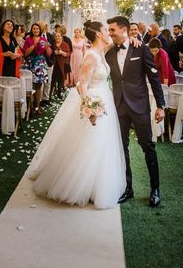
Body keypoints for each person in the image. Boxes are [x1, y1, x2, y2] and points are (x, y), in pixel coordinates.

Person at [26, 21, 126, 209]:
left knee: (102, 144)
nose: (108, 34)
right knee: (90, 143)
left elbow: (116, 42)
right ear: (97, 33)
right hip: (95, 102)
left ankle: (96, 185)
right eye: (106, 31)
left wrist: (130, 38)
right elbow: (82, 85)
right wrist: (90, 109)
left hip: (105, 100)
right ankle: (79, 185)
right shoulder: (91, 56)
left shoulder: (100, 52)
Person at [106, 15, 165, 207]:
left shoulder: (142, 49)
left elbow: (154, 78)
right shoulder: (109, 51)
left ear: (123, 30)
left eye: (113, 30)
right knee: (121, 148)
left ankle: (155, 189)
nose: (110, 33)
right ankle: (127, 188)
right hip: (119, 106)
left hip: (139, 106)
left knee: (148, 146)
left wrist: (160, 106)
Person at [22, 23, 53, 114]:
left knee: (38, 86)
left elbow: (49, 53)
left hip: (40, 64)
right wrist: (34, 45)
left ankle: (37, 107)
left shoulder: (43, 39)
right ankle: (28, 107)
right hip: (30, 63)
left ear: (40, 30)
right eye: (34, 28)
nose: (36, 30)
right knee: (29, 86)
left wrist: (47, 48)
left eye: (37, 29)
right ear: (31, 30)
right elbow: (25, 54)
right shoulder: (28, 40)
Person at [50, 30, 71, 97]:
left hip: (62, 64)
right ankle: (50, 93)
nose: (57, 37)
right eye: (56, 36)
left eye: (58, 36)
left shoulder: (65, 44)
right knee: (53, 79)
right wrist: (54, 52)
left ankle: (59, 93)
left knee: (61, 78)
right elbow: (50, 52)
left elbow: (68, 54)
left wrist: (62, 52)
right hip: (54, 63)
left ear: (61, 37)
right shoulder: (52, 44)